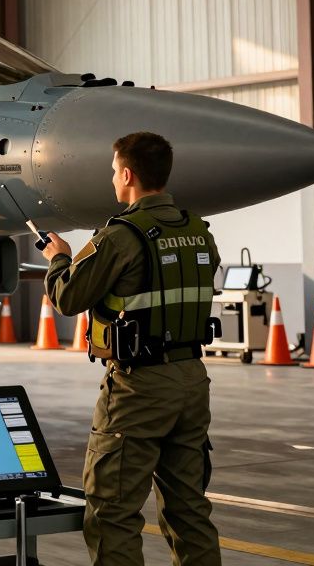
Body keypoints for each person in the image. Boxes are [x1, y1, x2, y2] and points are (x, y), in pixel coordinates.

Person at [39, 132, 222, 566]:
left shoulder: (122, 235)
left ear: (127, 174)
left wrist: (59, 258)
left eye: (113, 172)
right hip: (191, 382)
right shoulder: (198, 232)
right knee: (189, 508)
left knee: (111, 511)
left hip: (139, 388)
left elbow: (67, 298)